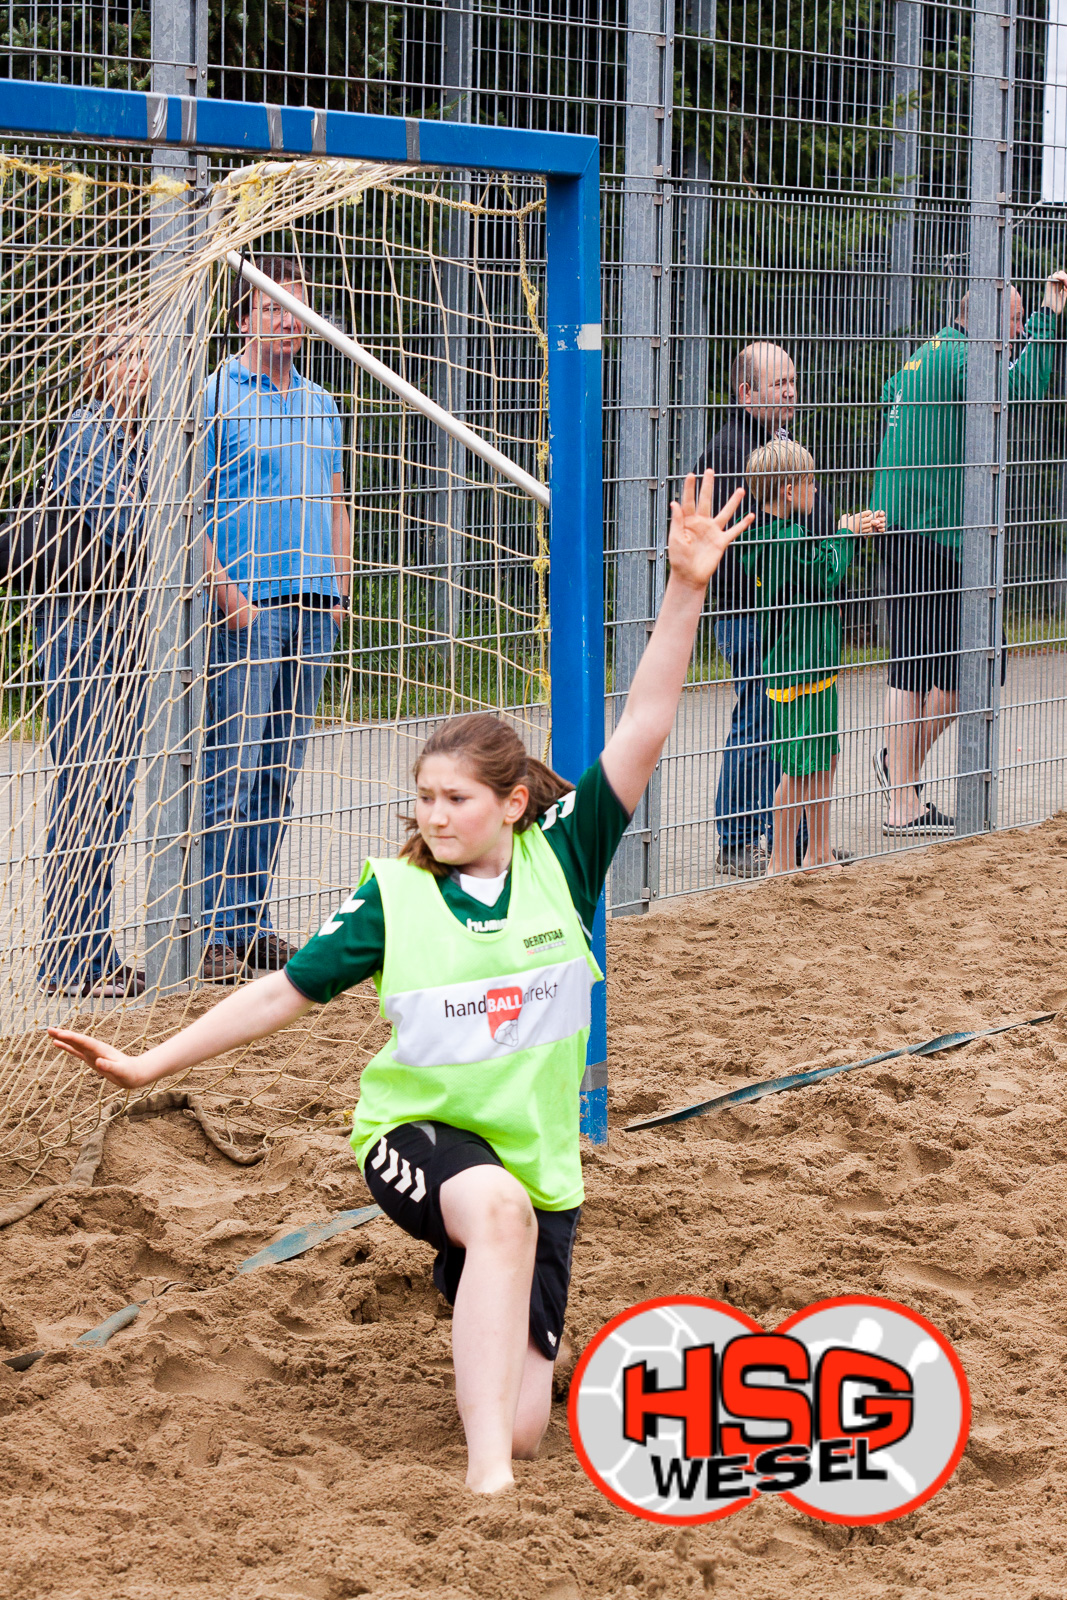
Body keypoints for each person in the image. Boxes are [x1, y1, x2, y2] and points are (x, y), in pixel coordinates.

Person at [47, 468, 754, 1496]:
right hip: (415, 1137)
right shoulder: (394, 895)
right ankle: (483, 1489)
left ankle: (481, 1340)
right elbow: (280, 992)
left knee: (523, 1415)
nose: (433, 813)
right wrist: (149, 1059)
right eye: (423, 796)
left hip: (538, 1158)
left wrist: (684, 588)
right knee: (496, 1233)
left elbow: (643, 725)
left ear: (512, 803)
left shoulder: (565, 853)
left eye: (456, 797)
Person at [870, 272, 1067, 835]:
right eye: (1012, 320)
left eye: (1023, 320)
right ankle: (901, 793)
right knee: (970, 662)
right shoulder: (963, 357)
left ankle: (899, 781)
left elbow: (890, 398)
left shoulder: (924, 355)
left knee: (925, 667)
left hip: (904, 525)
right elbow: (1021, 390)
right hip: (935, 532)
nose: (1017, 330)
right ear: (981, 319)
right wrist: (1051, 320)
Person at [200, 255, 353, 982]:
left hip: (313, 607)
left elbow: (336, 500)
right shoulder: (212, 396)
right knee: (233, 767)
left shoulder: (322, 402)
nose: (289, 321)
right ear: (242, 319)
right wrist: (227, 593)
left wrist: (342, 588)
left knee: (278, 775)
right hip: (248, 609)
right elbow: (186, 508)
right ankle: (210, 931)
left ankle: (251, 920)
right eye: (273, 308)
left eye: (299, 309)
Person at [36, 325, 151, 998]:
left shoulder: (151, 437)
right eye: (122, 354)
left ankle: (93, 948)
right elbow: (130, 525)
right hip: (82, 631)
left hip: (132, 634)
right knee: (83, 792)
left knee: (111, 799)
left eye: (144, 355)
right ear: (97, 366)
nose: (135, 367)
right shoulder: (85, 431)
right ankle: (67, 961)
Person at [692, 343, 830, 876]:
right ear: (746, 393)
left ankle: (783, 843)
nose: (791, 390)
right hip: (750, 612)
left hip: (782, 609)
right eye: (779, 384)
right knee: (760, 718)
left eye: (793, 380)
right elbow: (735, 544)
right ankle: (738, 839)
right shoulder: (731, 453)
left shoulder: (778, 441)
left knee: (783, 718)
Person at [742, 441, 884, 875]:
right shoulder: (780, 539)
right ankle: (782, 861)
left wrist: (843, 528)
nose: (815, 489)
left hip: (814, 665)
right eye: (809, 482)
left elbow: (813, 560)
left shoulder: (781, 536)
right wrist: (848, 534)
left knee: (824, 757)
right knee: (799, 766)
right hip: (798, 667)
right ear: (787, 490)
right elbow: (825, 572)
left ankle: (818, 853)